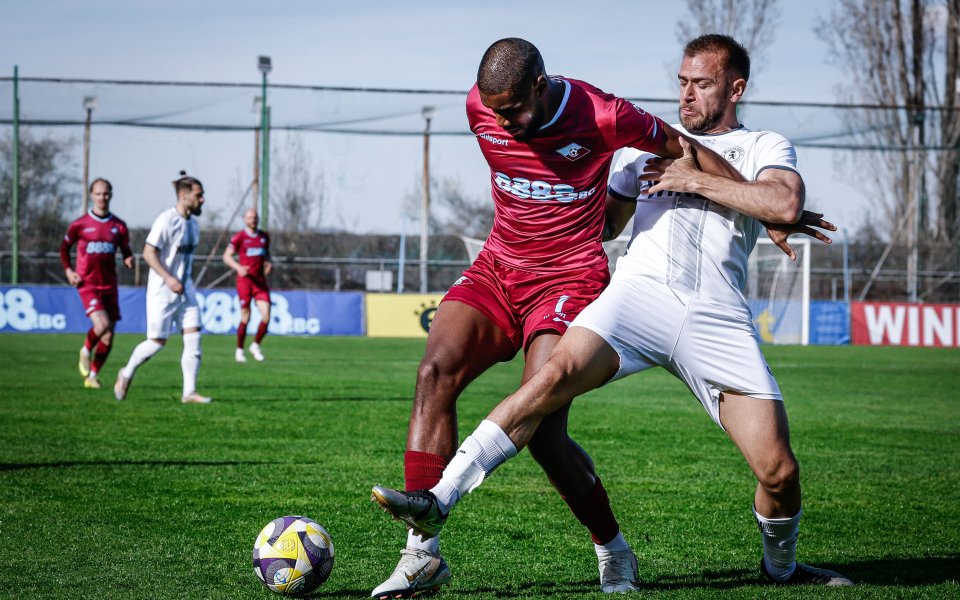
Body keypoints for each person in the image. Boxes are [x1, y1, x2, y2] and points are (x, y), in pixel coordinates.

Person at [372, 34, 853, 588]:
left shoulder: (761, 145)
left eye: (702, 83)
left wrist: (705, 184)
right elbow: (607, 223)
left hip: (714, 316)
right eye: (682, 82)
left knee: (779, 469)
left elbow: (782, 201)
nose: (687, 94)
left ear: (735, 88)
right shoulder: (628, 154)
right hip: (632, 298)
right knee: (526, 381)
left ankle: (781, 568)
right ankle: (434, 513)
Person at [114, 171, 212, 405]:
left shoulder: (194, 225)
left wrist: (182, 281)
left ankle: (189, 393)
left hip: (185, 290)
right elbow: (148, 253)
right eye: (198, 195)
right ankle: (126, 373)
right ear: (183, 195)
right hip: (163, 291)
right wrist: (168, 278)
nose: (203, 200)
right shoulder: (166, 220)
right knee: (156, 342)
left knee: (194, 338)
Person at [60, 178, 134, 389]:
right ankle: (85, 349)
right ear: (92, 195)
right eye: (99, 193)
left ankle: (92, 376)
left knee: (109, 335)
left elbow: (125, 249)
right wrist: (69, 271)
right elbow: (64, 248)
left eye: (106, 193)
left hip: (109, 285)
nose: (103, 197)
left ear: (111, 195)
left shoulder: (119, 226)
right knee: (100, 325)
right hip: (87, 283)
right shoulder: (80, 224)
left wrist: (128, 258)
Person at [223, 208, 272, 363]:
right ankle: (239, 350)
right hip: (245, 282)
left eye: (255, 217)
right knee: (246, 316)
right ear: (245, 219)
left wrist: (268, 263)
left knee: (266, 315)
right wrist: (238, 268)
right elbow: (226, 256)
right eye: (250, 217)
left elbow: (266, 254)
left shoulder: (264, 237)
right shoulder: (239, 237)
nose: (253, 220)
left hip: (260, 282)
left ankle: (255, 345)